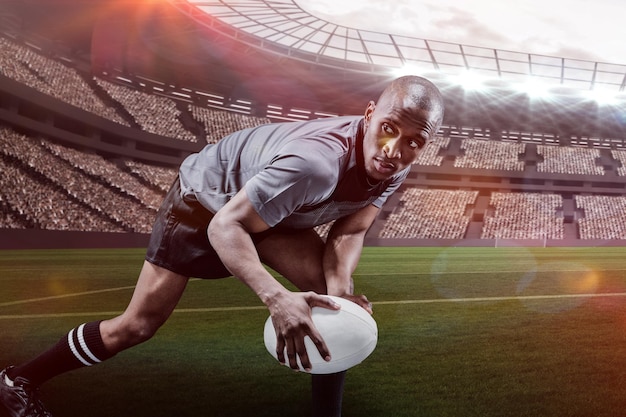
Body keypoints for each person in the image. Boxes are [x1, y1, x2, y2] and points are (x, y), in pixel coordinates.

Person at [0, 75, 444, 417]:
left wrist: (341, 292)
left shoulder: (395, 163)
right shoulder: (315, 165)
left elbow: (348, 233)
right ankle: (17, 381)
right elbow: (224, 227)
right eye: (388, 129)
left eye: (413, 142)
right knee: (136, 327)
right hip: (205, 204)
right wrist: (276, 298)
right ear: (369, 115)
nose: (394, 150)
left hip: (276, 212)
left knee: (335, 311)